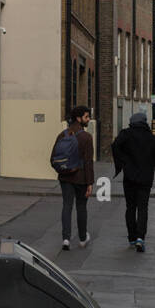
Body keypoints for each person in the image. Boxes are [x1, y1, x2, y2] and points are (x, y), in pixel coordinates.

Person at [112, 110, 155, 252]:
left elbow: (115, 146)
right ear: (145, 121)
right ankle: (141, 238)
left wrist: (123, 162)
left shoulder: (126, 134)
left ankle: (132, 237)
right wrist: (149, 163)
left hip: (129, 177)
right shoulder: (152, 137)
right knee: (143, 207)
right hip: (146, 179)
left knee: (130, 207)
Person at [50, 106, 94, 250]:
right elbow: (88, 162)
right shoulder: (87, 137)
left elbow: (52, 159)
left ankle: (66, 239)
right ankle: (82, 238)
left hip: (65, 178)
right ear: (79, 118)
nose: (89, 120)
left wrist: (63, 170)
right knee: (81, 207)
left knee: (67, 206)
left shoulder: (62, 135)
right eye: (87, 117)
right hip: (81, 178)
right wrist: (90, 183)